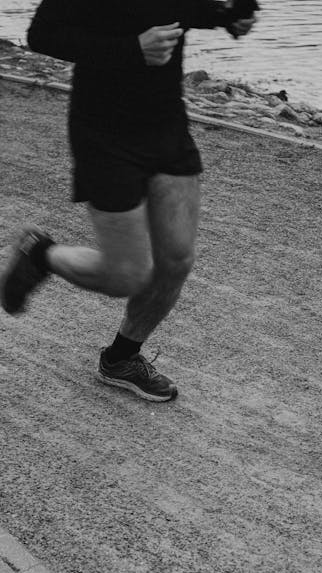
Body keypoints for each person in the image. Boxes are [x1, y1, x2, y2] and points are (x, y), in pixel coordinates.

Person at [0, 0, 258, 402]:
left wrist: (228, 17)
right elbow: (43, 35)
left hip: (165, 123)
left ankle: (122, 358)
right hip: (104, 133)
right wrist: (131, 49)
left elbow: (186, 9)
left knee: (175, 259)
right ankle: (40, 254)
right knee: (128, 276)